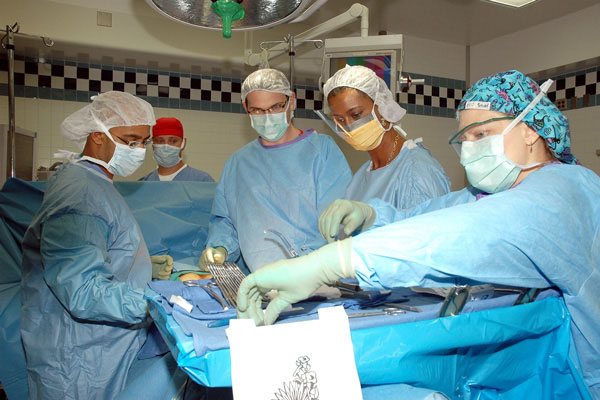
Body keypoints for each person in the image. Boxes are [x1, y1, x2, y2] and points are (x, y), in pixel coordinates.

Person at [236, 70, 600, 398]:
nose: (471, 148)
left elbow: (465, 232)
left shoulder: (565, 191)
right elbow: (427, 215)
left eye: (483, 133)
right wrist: (372, 216)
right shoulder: (492, 192)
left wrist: (331, 263)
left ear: (530, 129)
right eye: (466, 137)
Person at [20, 91, 174, 399]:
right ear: (97, 136)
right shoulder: (81, 193)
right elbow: (81, 289)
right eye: (130, 140)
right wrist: (157, 304)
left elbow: (94, 245)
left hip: (94, 347)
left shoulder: (90, 179)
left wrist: (136, 265)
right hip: (79, 359)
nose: (139, 151)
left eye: (144, 142)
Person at [200, 68, 352, 272]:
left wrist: (304, 269)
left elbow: (337, 223)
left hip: (315, 277)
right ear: (245, 107)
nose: (267, 116)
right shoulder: (237, 163)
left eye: (276, 107)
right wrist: (220, 247)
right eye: (257, 110)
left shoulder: (322, 152)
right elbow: (226, 220)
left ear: (292, 101)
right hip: (259, 281)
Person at [322, 65, 450, 216]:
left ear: (381, 107)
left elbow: (426, 234)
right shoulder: (362, 177)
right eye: (340, 120)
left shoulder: (416, 171)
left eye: (356, 114)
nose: (349, 126)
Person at [139, 117, 214, 182]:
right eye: (160, 141)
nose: (166, 146)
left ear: (183, 143)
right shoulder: (143, 184)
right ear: (153, 145)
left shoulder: (202, 181)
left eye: (173, 141)